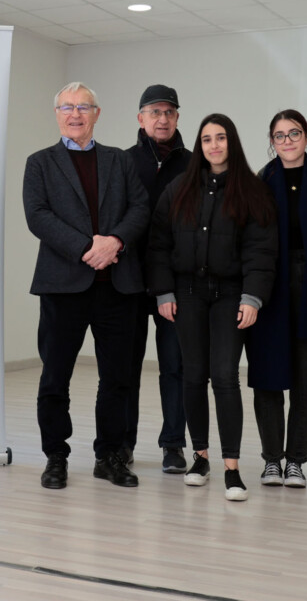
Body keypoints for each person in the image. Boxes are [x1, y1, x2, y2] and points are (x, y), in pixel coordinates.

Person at [22, 82, 149, 490]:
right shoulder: (40, 163)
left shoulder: (119, 160)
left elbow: (140, 207)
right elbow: (37, 216)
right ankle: (55, 457)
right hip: (63, 288)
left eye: (83, 107)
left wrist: (115, 242)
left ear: (97, 114)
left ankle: (109, 456)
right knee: (55, 377)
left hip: (117, 287)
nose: (75, 114)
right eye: (67, 107)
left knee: (117, 378)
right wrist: (86, 248)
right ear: (57, 114)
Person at [147, 113, 276, 502]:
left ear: (231, 142)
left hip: (230, 296)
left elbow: (261, 250)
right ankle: (200, 458)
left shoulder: (252, 190)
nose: (214, 145)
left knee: (224, 376)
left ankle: (231, 469)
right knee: (192, 375)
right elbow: (158, 243)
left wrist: (252, 297)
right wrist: (163, 292)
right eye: (207, 139)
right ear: (199, 145)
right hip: (186, 294)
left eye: (221, 138)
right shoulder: (179, 188)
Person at [245, 110, 307, 489]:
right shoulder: (261, 181)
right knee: (268, 376)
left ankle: (296, 459)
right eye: (280, 135)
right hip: (269, 284)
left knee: (304, 381)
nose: (288, 141)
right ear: (272, 141)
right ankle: (271, 460)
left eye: (294, 133)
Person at [125, 84, 192, 474]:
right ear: (141, 118)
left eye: (169, 112)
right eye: (154, 112)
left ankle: (173, 445)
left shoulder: (194, 163)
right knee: (126, 369)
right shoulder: (122, 161)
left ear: (177, 117)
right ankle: (124, 445)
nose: (162, 119)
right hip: (130, 282)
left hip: (176, 284)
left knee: (175, 366)